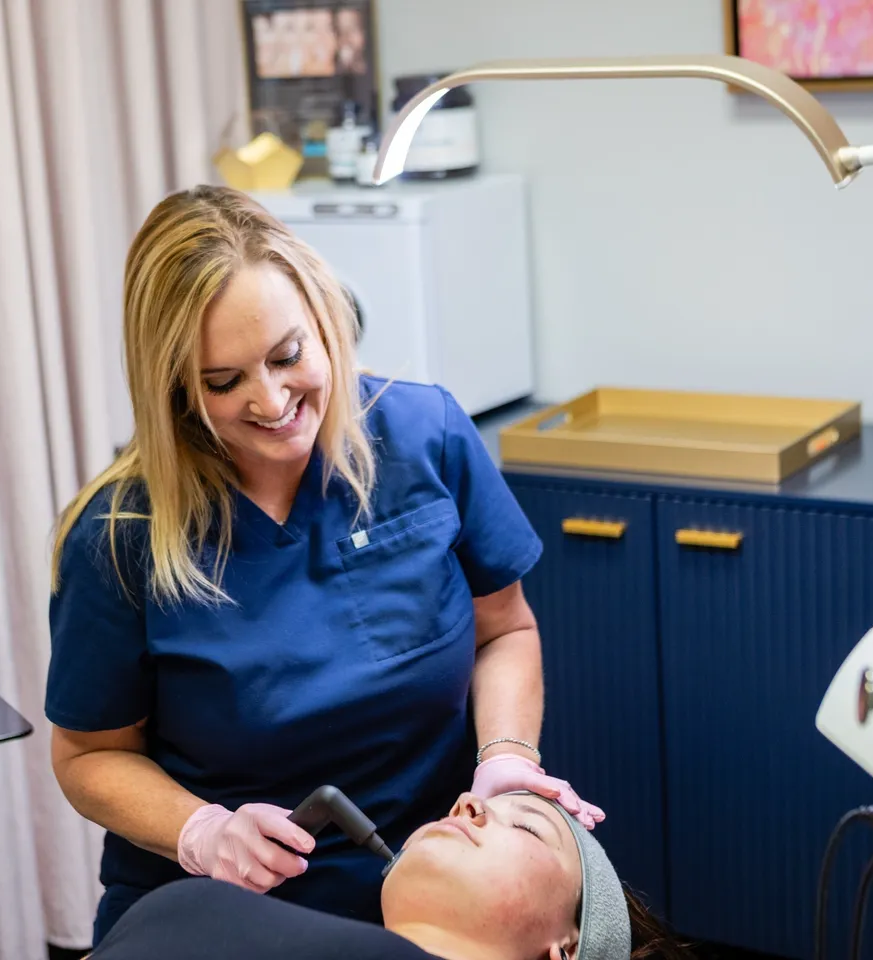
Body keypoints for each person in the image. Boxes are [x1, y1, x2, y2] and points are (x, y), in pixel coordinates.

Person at [45, 185, 604, 944]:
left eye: (288, 355)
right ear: (173, 385)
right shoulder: (124, 534)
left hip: (433, 901)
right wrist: (200, 830)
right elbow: (87, 756)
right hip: (224, 917)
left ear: (323, 318)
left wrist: (506, 756)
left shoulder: (422, 435)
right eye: (223, 381)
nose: (272, 400)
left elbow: (504, 629)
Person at [88, 791, 693, 960]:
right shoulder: (187, 910)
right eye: (474, 802)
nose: (467, 803)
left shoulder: (192, 914)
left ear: (562, 951)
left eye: (527, 827)